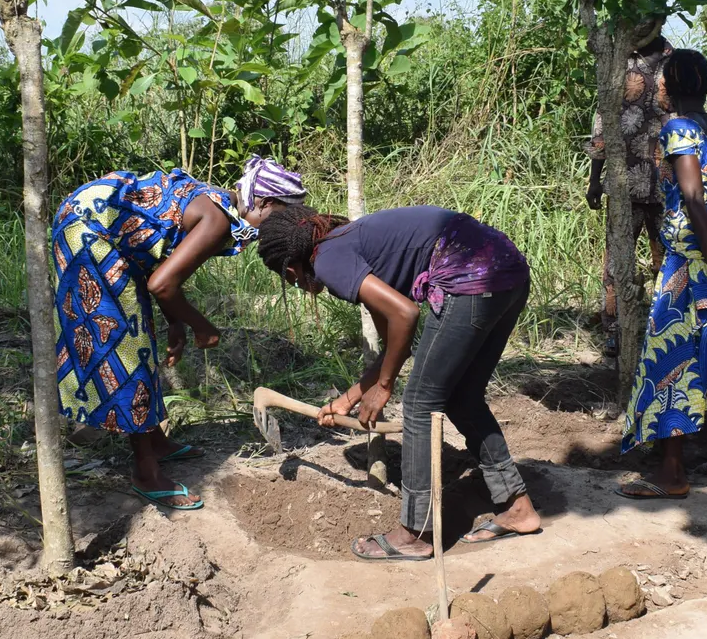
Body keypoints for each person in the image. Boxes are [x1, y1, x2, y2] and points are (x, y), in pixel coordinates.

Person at [256, 204, 538, 561]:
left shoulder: (328, 260)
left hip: (468, 277)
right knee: (462, 396)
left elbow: (406, 314)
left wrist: (385, 386)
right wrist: (350, 398)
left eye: (291, 279)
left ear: (292, 265)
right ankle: (518, 508)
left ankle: (413, 534)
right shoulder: (351, 242)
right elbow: (394, 340)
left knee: (421, 404)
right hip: (505, 266)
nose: (298, 285)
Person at [52, 159, 303, 509]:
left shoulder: (219, 207)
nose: (273, 230)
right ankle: (145, 471)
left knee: (139, 336)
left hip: (99, 227)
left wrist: (175, 323)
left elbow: (162, 265)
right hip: (88, 232)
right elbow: (162, 283)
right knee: (126, 349)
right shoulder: (216, 220)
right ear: (262, 203)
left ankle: (155, 440)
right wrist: (202, 326)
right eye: (279, 218)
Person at [619, 49, 707, 500]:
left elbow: (694, 197)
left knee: (672, 359)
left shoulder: (679, 129)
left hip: (693, 261)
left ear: (669, 88)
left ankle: (673, 473)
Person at [585, 17, 673, 356]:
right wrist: (595, 177)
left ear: (658, 22)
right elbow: (603, 120)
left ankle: (664, 331)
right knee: (617, 264)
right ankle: (615, 333)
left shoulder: (676, 64)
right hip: (624, 186)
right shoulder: (618, 63)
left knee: (666, 262)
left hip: (668, 184)